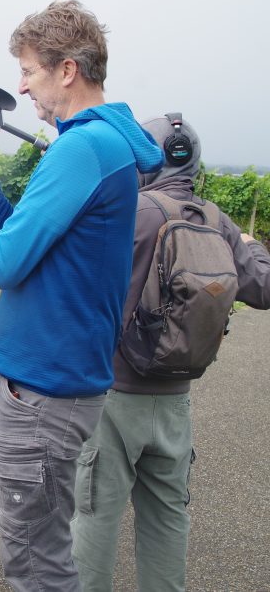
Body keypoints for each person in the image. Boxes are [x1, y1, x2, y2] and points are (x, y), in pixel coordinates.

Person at [0, 0, 164, 591]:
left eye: (30, 70)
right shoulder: (91, 145)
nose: (21, 85)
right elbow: (24, 239)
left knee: (35, 562)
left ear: (67, 71)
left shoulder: (85, 149)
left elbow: (3, 261)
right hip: (16, 381)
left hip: (41, 394)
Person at [70, 115, 270, 591]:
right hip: (176, 401)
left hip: (113, 398)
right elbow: (263, 287)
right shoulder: (216, 221)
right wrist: (249, 243)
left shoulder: (129, 212)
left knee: (95, 519)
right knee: (167, 522)